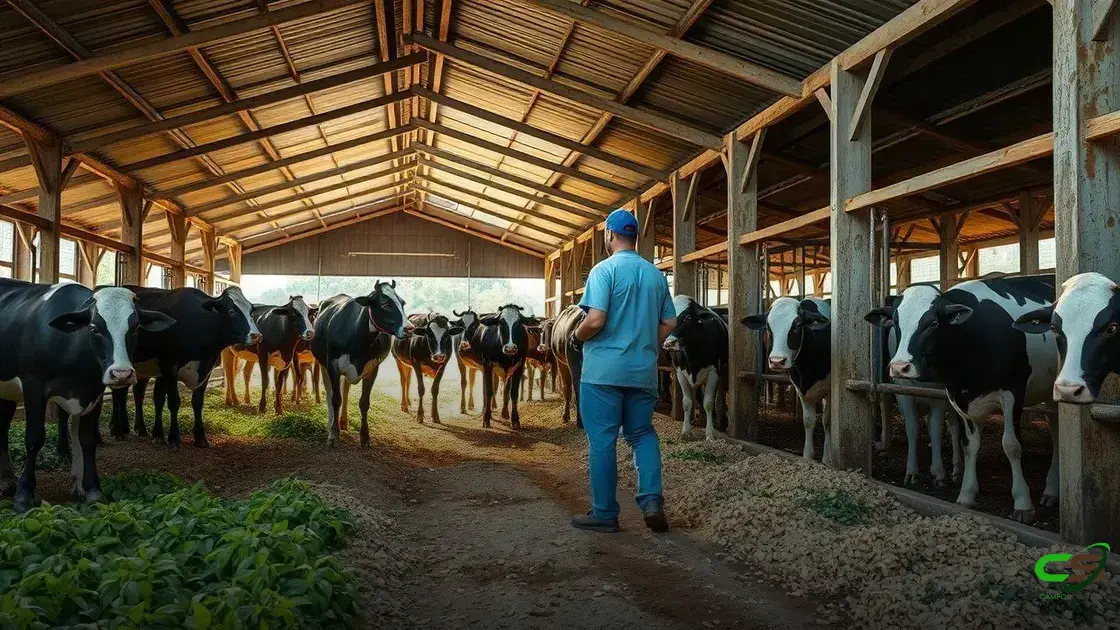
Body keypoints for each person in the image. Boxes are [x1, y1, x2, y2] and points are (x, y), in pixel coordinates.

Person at [569, 208, 677, 534]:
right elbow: (670, 322)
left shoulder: (604, 271)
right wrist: (648, 345)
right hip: (642, 372)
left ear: (610, 236)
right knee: (642, 434)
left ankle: (604, 513)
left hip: (603, 373)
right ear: (636, 236)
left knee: (602, 440)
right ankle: (651, 501)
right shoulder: (656, 275)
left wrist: (576, 336)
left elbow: (596, 319)